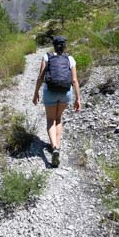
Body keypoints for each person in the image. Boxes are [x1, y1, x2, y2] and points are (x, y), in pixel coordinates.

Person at [32, 35, 81, 167]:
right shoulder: (70, 59)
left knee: (50, 120)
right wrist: (78, 99)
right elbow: (75, 80)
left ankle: (54, 147)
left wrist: (36, 92)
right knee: (58, 118)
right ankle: (56, 147)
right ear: (65, 46)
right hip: (66, 93)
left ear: (53, 45)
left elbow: (40, 77)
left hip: (50, 92)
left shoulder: (47, 57)